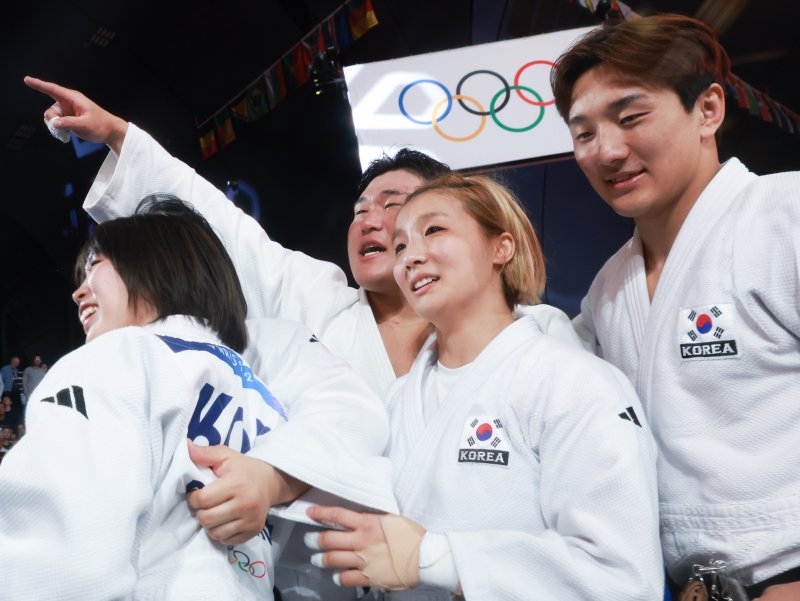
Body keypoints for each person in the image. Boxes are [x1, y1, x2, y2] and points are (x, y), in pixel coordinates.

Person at [23, 76, 581, 402]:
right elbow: (227, 228)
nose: (369, 220)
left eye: (396, 206)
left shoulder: (531, 336)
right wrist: (119, 136)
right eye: (360, 209)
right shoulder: (320, 300)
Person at [0, 196, 395, 600]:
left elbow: (59, 562)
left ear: (155, 266)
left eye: (95, 266)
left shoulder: (113, 358)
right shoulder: (259, 396)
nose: (78, 292)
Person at [306, 174, 663, 600]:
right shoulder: (398, 401)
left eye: (434, 230)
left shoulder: (575, 383)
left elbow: (621, 578)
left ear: (501, 247)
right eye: (400, 246)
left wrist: (434, 558)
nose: (410, 257)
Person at [551, 13, 800, 601]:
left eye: (631, 116)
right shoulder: (608, 291)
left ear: (708, 110)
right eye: (583, 133)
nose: (607, 151)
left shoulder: (784, 214)